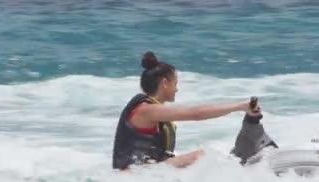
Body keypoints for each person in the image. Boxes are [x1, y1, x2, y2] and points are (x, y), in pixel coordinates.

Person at [112, 51, 262, 170]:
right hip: (133, 176)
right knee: (202, 156)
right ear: (165, 83)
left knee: (194, 165)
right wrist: (241, 106)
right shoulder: (146, 110)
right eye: (175, 83)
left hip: (147, 171)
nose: (177, 89)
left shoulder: (150, 108)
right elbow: (195, 114)